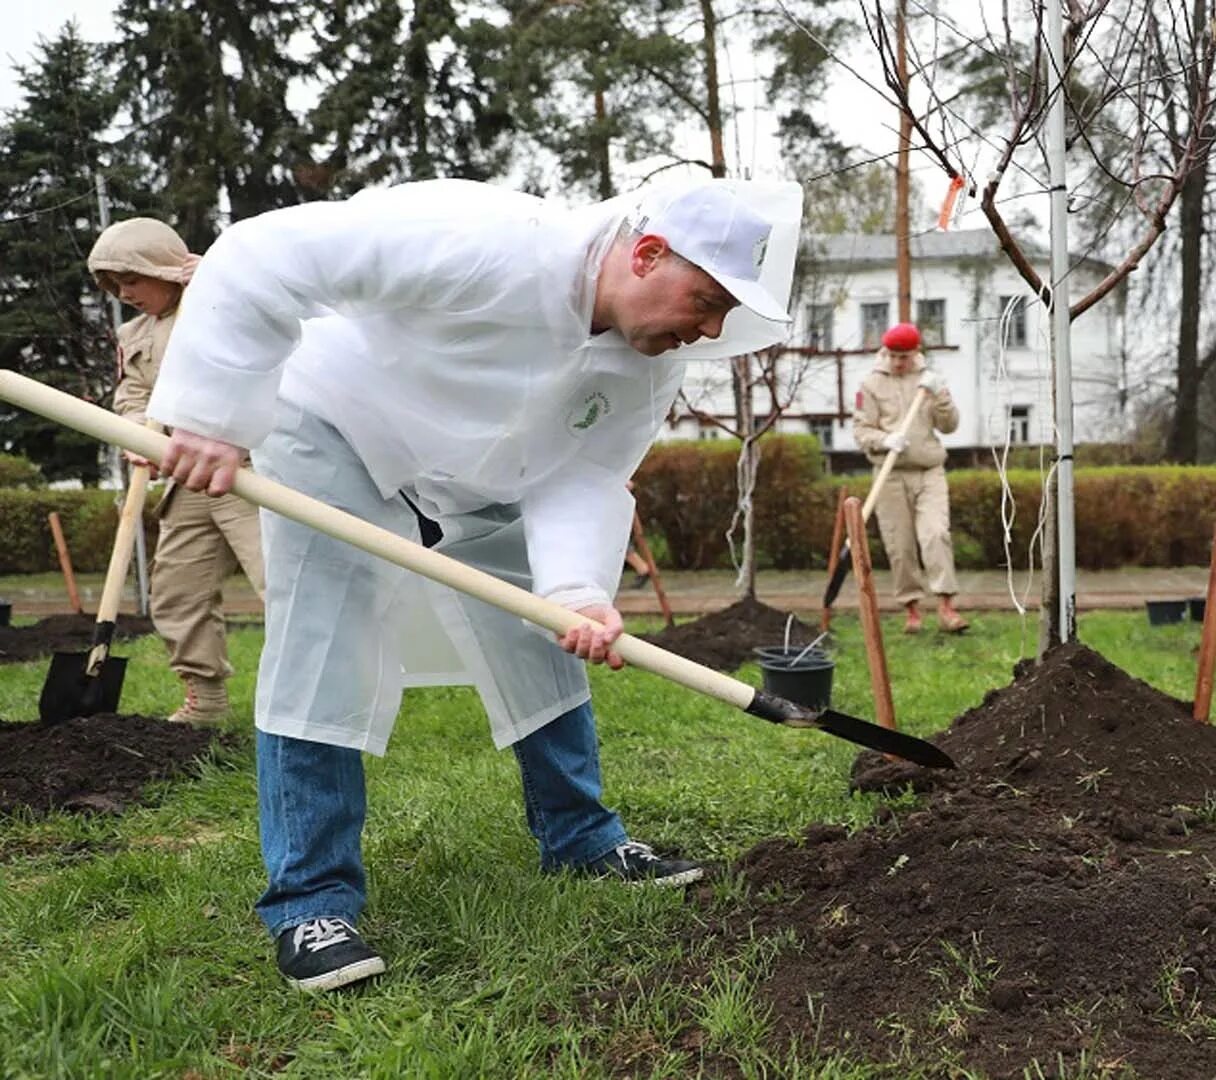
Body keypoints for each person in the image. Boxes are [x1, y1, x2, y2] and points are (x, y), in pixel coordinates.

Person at [148, 177, 801, 991]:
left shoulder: (650, 359)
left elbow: (586, 473)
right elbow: (263, 256)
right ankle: (310, 901)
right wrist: (212, 414)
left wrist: (573, 592)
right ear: (646, 253)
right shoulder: (485, 239)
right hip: (341, 428)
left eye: (724, 317)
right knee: (326, 640)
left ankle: (583, 840)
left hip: (484, 478)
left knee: (542, 640)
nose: (707, 330)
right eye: (705, 300)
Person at [88, 219, 269, 726]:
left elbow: (284, 315)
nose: (127, 294)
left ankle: (318, 701)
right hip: (185, 480)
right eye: (116, 285)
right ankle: (205, 702)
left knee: (284, 584)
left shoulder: (219, 299)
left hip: (247, 472)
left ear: (164, 268)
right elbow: (132, 396)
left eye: (134, 280)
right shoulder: (133, 333)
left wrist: (219, 277)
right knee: (176, 592)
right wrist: (137, 436)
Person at [852, 322, 968, 634]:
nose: (897, 362)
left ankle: (946, 608)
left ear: (915, 353)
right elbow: (861, 430)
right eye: (892, 355)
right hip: (889, 475)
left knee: (935, 534)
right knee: (899, 545)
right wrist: (884, 439)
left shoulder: (929, 380)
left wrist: (941, 396)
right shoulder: (870, 384)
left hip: (929, 470)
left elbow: (950, 426)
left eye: (903, 356)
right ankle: (912, 610)